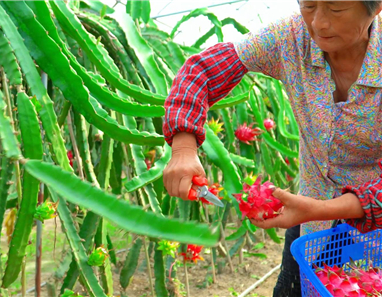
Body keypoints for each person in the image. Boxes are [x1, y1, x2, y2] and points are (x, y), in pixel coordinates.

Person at [162, 1, 382, 296]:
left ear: (375, 7)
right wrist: (183, 148)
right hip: (309, 216)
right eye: (309, 5)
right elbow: (202, 71)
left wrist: (320, 209)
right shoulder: (291, 37)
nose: (318, 23)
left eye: (335, 8)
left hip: (373, 230)